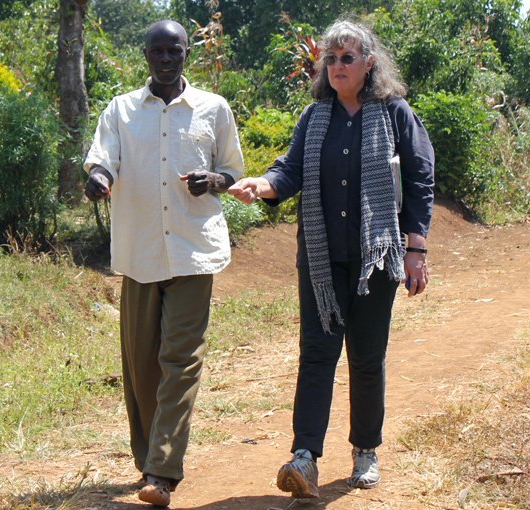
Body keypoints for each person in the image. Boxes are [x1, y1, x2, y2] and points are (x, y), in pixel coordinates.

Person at [228, 19, 434, 498]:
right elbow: (290, 169)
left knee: (366, 359)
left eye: (348, 58)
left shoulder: (394, 113)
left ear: (368, 64)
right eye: (331, 59)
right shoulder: (314, 115)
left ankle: (365, 450)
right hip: (321, 261)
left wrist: (415, 247)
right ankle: (305, 457)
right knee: (317, 356)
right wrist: (262, 185)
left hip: (376, 258)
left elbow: (420, 179)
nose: (338, 66)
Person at [83, 20, 245, 507]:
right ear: (146, 55)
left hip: (194, 251)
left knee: (180, 359)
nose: (166, 57)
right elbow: (101, 158)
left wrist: (211, 180)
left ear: (186, 53)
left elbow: (233, 170)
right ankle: (148, 456)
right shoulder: (122, 110)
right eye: (157, 50)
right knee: (140, 365)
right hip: (140, 251)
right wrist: (97, 178)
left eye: (174, 49)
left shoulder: (213, 109)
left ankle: (163, 470)